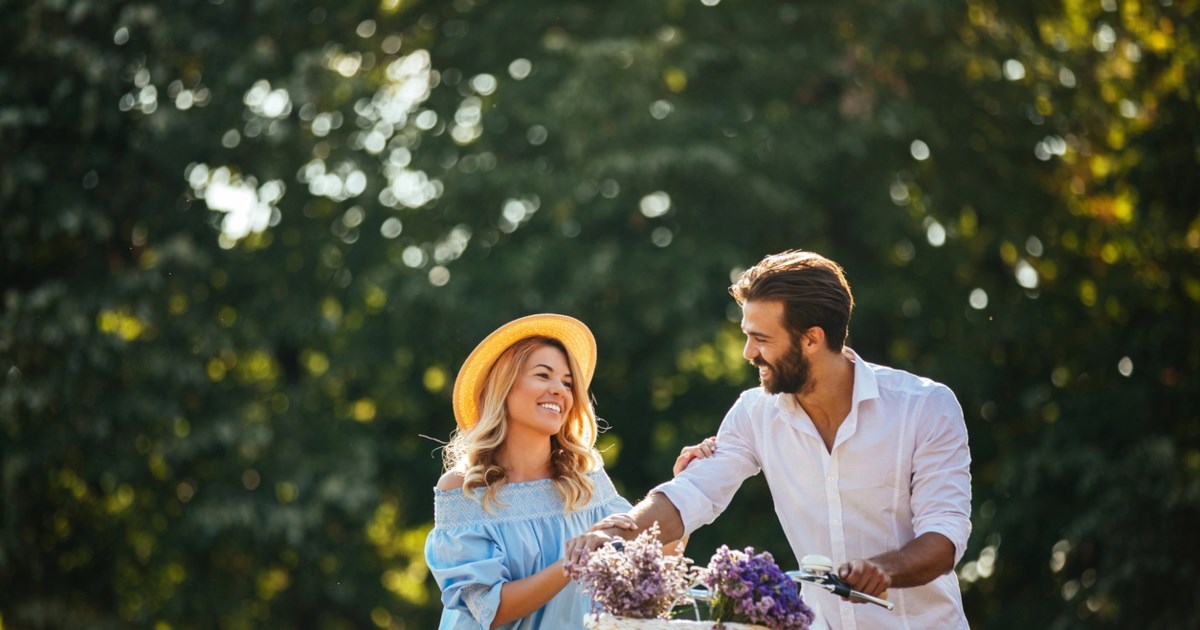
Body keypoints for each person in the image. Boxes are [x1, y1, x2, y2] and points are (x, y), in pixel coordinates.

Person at [565, 250, 973, 630]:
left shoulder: (924, 407)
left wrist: (884, 569)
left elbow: (944, 535)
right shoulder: (754, 412)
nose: (747, 353)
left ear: (812, 339)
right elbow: (694, 492)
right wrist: (619, 530)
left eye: (761, 339)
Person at [424, 313, 715, 630]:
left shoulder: (584, 478)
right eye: (543, 375)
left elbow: (649, 566)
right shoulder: (463, 487)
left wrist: (684, 487)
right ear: (504, 386)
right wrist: (575, 560)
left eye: (567, 382)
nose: (560, 390)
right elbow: (490, 609)